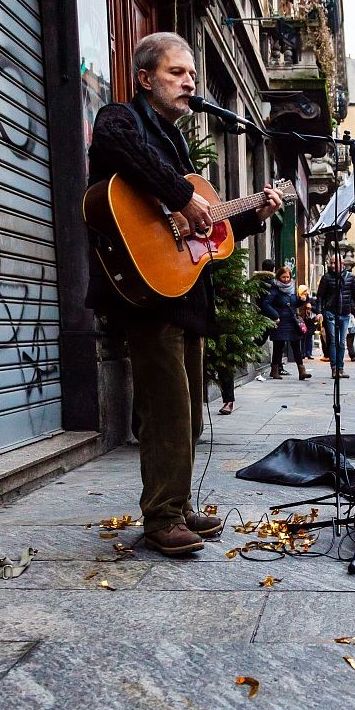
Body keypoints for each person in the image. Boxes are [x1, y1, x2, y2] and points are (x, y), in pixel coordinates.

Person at [86, 31, 281, 556]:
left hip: (181, 292)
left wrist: (252, 219)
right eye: (177, 73)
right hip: (144, 296)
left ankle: (173, 500)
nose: (190, 82)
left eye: (193, 74)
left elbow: (207, 238)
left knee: (189, 410)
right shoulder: (119, 120)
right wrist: (181, 196)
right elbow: (120, 152)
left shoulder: (175, 145)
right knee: (168, 408)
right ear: (145, 79)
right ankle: (162, 517)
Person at [262, 265, 311, 381]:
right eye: (283, 277)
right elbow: (266, 304)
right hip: (280, 322)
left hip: (292, 321)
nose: (286, 279)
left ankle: (302, 371)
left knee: (296, 346)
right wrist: (275, 315)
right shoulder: (274, 289)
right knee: (279, 346)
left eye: (288, 277)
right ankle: (274, 370)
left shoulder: (292, 289)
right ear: (279, 277)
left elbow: (294, 304)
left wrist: (303, 300)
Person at [316, 257, 355, 379]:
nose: (333, 265)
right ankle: (334, 368)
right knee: (334, 341)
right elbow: (320, 297)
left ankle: (340, 368)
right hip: (331, 313)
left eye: (335, 263)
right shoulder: (326, 277)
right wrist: (319, 312)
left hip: (345, 313)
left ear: (342, 263)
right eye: (331, 263)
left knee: (341, 342)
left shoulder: (350, 277)